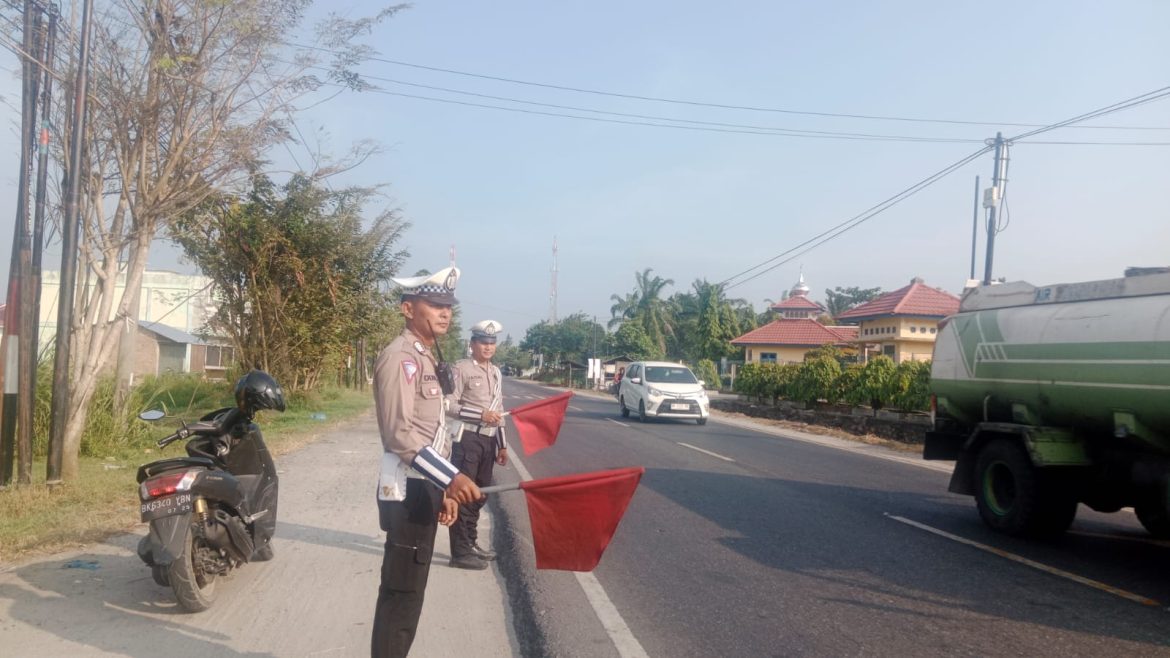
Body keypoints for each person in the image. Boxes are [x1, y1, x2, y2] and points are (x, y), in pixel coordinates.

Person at [371, 266, 483, 658]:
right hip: (406, 488)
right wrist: (451, 479)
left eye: (448, 306)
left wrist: (445, 490)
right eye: (434, 304)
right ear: (407, 308)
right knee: (401, 593)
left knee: (412, 591)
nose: (444, 313)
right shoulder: (399, 357)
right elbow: (399, 433)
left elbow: (436, 429)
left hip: (425, 486)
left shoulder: (426, 357)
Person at [445, 319, 508, 570]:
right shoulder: (460, 369)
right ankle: (459, 553)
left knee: (479, 494)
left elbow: (499, 411)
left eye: (492, 343)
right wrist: (479, 415)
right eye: (483, 342)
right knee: (464, 494)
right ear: (472, 344)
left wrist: (502, 445)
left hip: (489, 440)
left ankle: (470, 543)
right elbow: (448, 405)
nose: (488, 347)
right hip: (468, 439)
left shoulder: (495, 372)